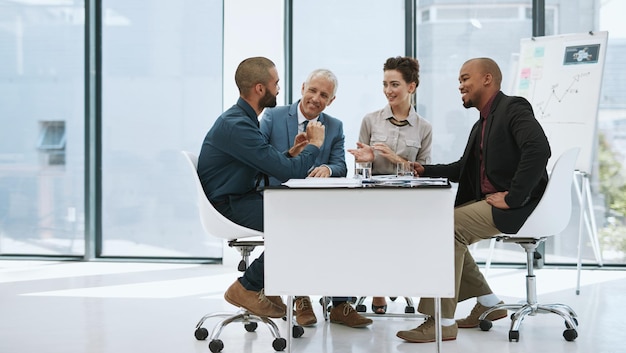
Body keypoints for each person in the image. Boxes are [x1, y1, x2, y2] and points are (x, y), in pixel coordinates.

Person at [395, 57, 551, 343]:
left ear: (487, 79)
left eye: (465, 78)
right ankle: (490, 305)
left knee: (447, 227)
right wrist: (423, 169)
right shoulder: (482, 123)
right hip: (498, 201)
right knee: (438, 224)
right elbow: (461, 168)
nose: (460, 85)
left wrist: (515, 197)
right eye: (459, 80)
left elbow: (538, 149)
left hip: (523, 206)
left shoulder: (512, 108)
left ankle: (441, 322)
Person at [197, 57, 326, 320]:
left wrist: (291, 152)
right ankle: (247, 287)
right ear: (259, 89)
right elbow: (288, 173)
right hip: (227, 206)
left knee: (300, 215)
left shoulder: (242, 120)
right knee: (297, 223)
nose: (278, 89)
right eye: (275, 83)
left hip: (237, 197)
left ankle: (263, 285)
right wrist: (314, 145)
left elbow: (267, 164)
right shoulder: (237, 125)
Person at [260, 69, 371, 328]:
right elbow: (260, 156)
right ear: (302, 88)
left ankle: (340, 303)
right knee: (300, 229)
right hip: (282, 200)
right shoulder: (274, 117)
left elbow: (341, 166)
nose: (316, 98)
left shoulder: (335, 126)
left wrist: (329, 169)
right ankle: (301, 296)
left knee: (343, 229)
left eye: (324, 95)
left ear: (331, 101)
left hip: (320, 203)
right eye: (312, 90)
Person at [347, 56, 432, 314]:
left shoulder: (424, 128)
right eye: (385, 84)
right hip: (372, 200)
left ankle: (396, 278)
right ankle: (379, 289)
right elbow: (359, 171)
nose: (388, 91)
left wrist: (399, 160)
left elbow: (424, 173)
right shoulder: (370, 121)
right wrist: (367, 161)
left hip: (407, 202)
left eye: (394, 84)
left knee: (403, 232)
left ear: (411, 87)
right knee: (373, 229)